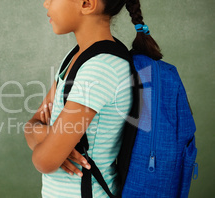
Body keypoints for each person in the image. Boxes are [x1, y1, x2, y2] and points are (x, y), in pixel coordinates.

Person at [23, 0, 162, 197]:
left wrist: (47, 141)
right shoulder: (75, 58)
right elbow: (31, 125)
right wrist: (46, 136)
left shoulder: (99, 69)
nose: (46, 3)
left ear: (87, 3)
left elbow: (44, 161)